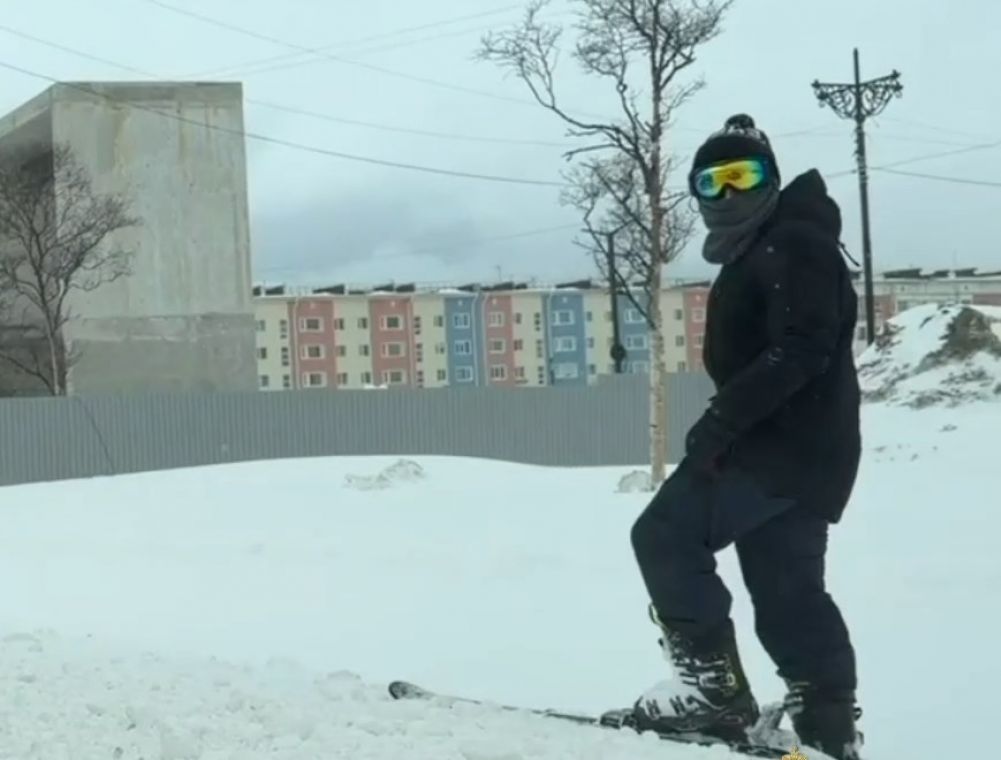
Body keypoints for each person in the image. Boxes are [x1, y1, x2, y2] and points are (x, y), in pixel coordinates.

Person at [628, 114, 864, 760]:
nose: (729, 193)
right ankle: (827, 727)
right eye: (713, 182)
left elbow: (801, 348)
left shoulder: (792, 242)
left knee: (664, 535)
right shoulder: (772, 244)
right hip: (809, 453)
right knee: (787, 591)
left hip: (774, 447)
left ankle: (712, 694)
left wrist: (721, 422)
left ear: (771, 179)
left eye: (743, 176)